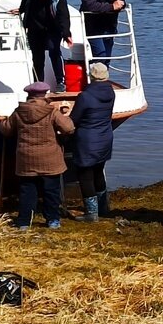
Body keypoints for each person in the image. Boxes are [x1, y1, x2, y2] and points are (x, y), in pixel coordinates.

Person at [0, 82, 75, 230]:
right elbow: (69, 128)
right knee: (51, 191)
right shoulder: (51, 112)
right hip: (50, 158)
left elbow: (6, 130)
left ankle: (24, 222)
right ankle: (53, 220)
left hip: (26, 158)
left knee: (27, 191)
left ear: (29, 95)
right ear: (44, 94)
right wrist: (66, 116)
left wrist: (3, 120)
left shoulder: (19, 111)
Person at [70, 62, 116, 221]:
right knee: (98, 171)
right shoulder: (111, 92)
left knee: (85, 175)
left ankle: (91, 214)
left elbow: (74, 119)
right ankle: (103, 208)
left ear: (91, 76)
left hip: (88, 140)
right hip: (105, 137)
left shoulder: (85, 96)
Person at [17, 0, 72, 91]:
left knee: (54, 52)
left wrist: (66, 33)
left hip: (53, 28)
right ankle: (38, 84)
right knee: (37, 57)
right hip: (34, 28)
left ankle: (61, 82)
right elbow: (25, 2)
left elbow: (64, 15)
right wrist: (19, 10)